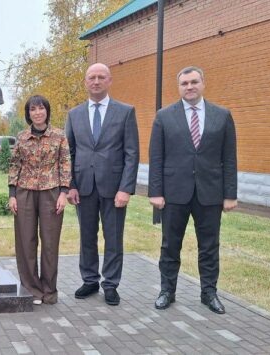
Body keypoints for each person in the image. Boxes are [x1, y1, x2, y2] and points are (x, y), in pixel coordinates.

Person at [149, 66, 237, 314]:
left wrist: (230, 194)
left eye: (194, 82)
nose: (189, 87)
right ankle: (167, 290)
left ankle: (209, 293)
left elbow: (229, 158)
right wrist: (155, 191)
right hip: (174, 192)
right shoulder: (164, 116)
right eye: (184, 83)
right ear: (179, 87)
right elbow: (156, 157)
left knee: (209, 246)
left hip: (210, 193)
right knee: (170, 245)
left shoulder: (222, 115)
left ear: (203, 83)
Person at [66, 63, 140, 306]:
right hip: (84, 187)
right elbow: (70, 153)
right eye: (91, 77)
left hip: (114, 188)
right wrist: (71, 185)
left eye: (101, 77)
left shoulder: (125, 112)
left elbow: (132, 153)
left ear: (109, 81)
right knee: (87, 236)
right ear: (85, 82)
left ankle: (110, 284)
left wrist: (126, 188)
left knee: (113, 237)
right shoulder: (74, 114)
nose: (96, 81)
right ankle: (89, 280)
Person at [8, 95, 71, 305]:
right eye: (33, 109)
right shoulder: (22, 137)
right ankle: (32, 289)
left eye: (41, 108)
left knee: (50, 242)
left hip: (51, 191)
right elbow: (14, 165)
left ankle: (49, 290)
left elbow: (64, 163)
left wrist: (64, 192)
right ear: (28, 113)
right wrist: (12, 195)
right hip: (24, 192)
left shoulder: (59, 136)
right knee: (26, 241)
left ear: (47, 111)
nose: (37, 112)